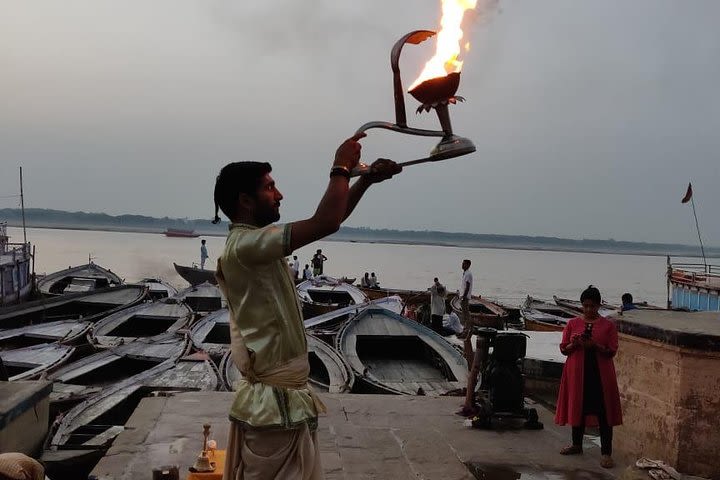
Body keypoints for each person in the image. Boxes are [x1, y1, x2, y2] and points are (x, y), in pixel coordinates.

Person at [212, 133, 401, 480]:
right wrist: (341, 167)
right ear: (245, 201)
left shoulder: (254, 243)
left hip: (283, 396)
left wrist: (366, 182)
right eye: (270, 187)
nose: (279, 194)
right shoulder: (246, 246)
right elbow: (324, 223)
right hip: (272, 402)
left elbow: (332, 219)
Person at [555, 286, 622, 469]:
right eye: (585, 306)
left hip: (600, 375)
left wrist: (595, 345)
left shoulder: (608, 326)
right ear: (581, 305)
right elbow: (563, 349)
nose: (588, 309)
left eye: (592, 306)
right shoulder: (572, 324)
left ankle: (606, 453)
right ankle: (577, 444)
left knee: (604, 412)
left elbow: (611, 351)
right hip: (577, 373)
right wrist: (574, 344)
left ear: (599, 305)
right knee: (578, 407)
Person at [458, 259, 473, 333]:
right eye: (462, 263)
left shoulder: (468, 274)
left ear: (468, 265)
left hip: (465, 297)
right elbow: (463, 286)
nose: (462, 265)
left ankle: (468, 329)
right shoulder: (465, 273)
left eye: (464, 264)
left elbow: (467, 286)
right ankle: (465, 328)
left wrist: (464, 297)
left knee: (466, 313)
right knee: (464, 313)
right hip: (462, 296)